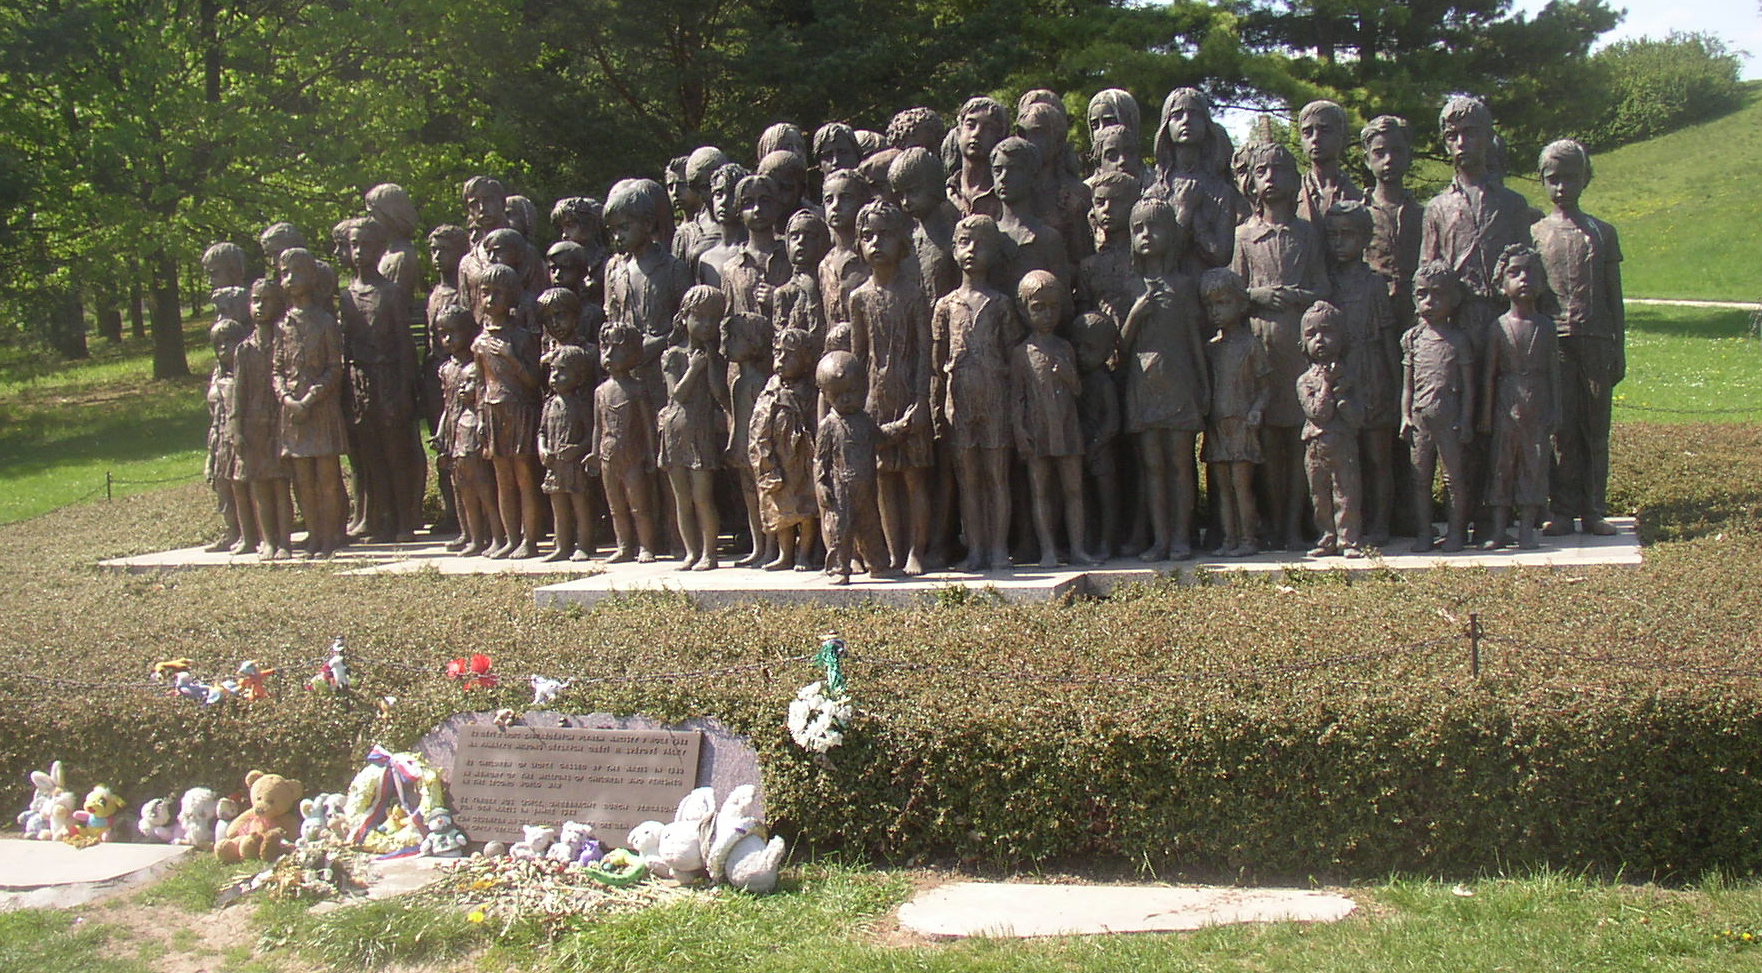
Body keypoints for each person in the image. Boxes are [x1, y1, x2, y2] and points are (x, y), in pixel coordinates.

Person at [1232, 140, 1329, 551]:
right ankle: (1270, 522)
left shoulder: (1307, 234)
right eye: (1262, 171)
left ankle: (1294, 524)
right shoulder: (1243, 235)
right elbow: (1231, 292)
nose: (1270, 179)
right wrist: (1258, 296)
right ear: (1251, 182)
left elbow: (1324, 290)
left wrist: (1297, 296)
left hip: (1298, 349)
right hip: (1260, 350)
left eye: (1279, 171)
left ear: (1294, 180)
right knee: (1268, 443)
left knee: (1298, 439)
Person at [1532, 138, 1623, 538]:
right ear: (1543, 181)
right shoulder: (1535, 232)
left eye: (1570, 178)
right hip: (1555, 343)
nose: (1562, 187)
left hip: (1597, 341)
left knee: (1595, 430)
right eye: (1554, 179)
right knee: (1560, 430)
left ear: (1585, 178)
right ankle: (1562, 508)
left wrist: (1619, 348)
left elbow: (1614, 297)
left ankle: (1594, 508)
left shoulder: (1603, 233)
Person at [1122, 197, 1209, 561]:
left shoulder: (1185, 286)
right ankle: (1160, 539)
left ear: (1171, 234)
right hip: (1142, 384)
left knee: (1180, 463)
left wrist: (1204, 387)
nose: (1146, 235)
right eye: (1138, 228)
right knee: (1152, 467)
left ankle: (1181, 537)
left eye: (1154, 227)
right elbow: (1119, 347)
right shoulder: (1130, 285)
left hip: (1179, 383)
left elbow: (1195, 341)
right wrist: (1136, 312)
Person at [931, 215, 1019, 571]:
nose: (971, 251)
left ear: (995, 251)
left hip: (995, 396)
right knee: (968, 480)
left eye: (980, 243)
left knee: (997, 475)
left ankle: (998, 548)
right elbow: (937, 365)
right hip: (961, 400)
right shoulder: (945, 305)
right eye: (965, 243)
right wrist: (937, 406)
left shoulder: (1001, 304)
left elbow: (1014, 359)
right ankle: (976, 549)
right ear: (953, 250)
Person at [1012, 271, 1098, 567]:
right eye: (1039, 308)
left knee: (1073, 489)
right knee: (1041, 491)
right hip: (1038, 428)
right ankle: (1047, 549)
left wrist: (1068, 374)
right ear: (1024, 311)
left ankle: (1077, 548)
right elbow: (1017, 397)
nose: (1047, 315)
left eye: (1053, 307)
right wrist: (1019, 429)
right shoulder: (1021, 353)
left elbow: (1078, 390)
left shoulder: (1065, 347)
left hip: (1067, 427)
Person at [1479, 244, 1560, 550]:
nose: (1524, 279)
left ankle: (1527, 527)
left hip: (1537, 404)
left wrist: (1557, 410)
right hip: (1505, 404)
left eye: (1530, 272)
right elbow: (1489, 374)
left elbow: (1554, 372)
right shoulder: (1497, 327)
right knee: (1501, 466)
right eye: (1515, 272)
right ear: (1503, 282)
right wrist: (1486, 414)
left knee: (1534, 465)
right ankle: (1499, 529)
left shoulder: (1547, 327)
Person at [1401, 262, 1475, 553]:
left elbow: (1469, 387)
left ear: (1453, 299)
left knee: (1453, 479)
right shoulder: (1412, 339)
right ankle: (1424, 534)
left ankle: (1456, 533)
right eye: (1422, 295)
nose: (1429, 303)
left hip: (1450, 419)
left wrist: (1467, 420)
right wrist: (1404, 416)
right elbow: (1408, 385)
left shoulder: (1458, 340)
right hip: (1420, 419)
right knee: (1419, 479)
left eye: (1437, 295)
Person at [472, 264, 544, 559]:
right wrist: (479, 418)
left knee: (525, 477)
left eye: (498, 293)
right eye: (485, 292)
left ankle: (529, 539)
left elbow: (533, 382)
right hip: (492, 412)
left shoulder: (523, 338)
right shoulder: (479, 342)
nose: (490, 300)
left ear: (512, 297)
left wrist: (512, 359)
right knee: (502, 479)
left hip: (520, 410)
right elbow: (479, 384)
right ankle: (508, 539)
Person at [1200, 268, 1269, 557]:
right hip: (1217, 423)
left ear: (1241, 304)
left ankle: (1248, 538)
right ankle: (1229, 538)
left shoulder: (1252, 345)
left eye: (1223, 303)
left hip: (1242, 423)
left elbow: (1266, 386)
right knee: (1223, 488)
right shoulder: (1210, 348)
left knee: (1241, 486)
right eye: (1211, 305)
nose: (1216, 311)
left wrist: (1256, 410)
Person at [749, 328, 821, 571]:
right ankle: (785, 554)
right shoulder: (770, 391)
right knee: (782, 509)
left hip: (803, 459)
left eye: (788, 355)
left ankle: (805, 555)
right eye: (777, 354)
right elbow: (758, 427)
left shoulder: (812, 392)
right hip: (778, 459)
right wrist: (765, 461)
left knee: (807, 508)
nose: (780, 361)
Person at [1296, 302, 1364, 557]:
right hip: (1315, 445)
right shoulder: (1305, 380)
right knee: (1319, 495)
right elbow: (1318, 413)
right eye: (1311, 335)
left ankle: (1348, 540)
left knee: (1345, 493)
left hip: (1343, 443)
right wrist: (1328, 386)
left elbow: (1358, 418)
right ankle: (1326, 536)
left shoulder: (1350, 376)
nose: (1320, 340)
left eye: (1327, 332)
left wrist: (1344, 401)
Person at [538, 345, 597, 562]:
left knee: (580, 507)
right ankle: (562, 546)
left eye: (562, 371)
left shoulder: (581, 404)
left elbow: (593, 433)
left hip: (575, 466)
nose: (555, 377)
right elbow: (541, 432)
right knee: (559, 510)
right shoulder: (549, 403)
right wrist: (542, 450)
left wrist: (578, 449)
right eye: (553, 371)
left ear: (579, 377)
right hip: (555, 466)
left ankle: (584, 545)